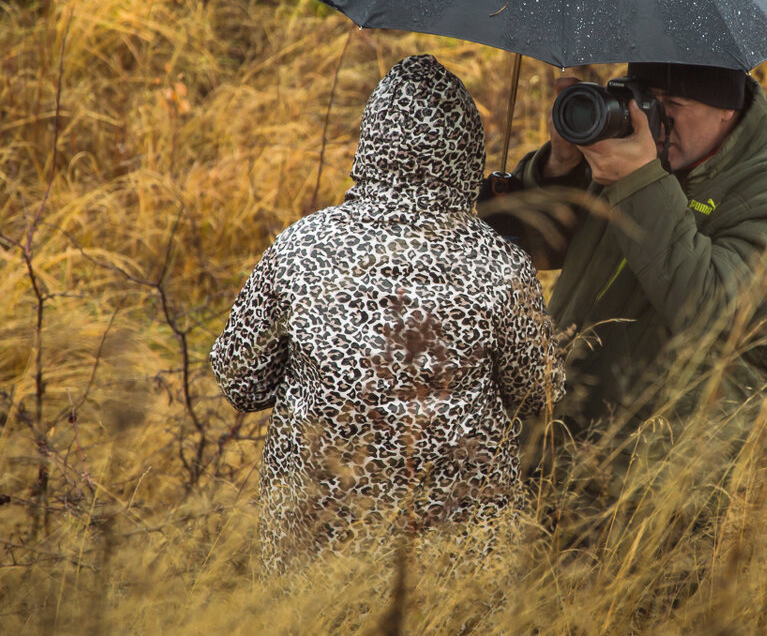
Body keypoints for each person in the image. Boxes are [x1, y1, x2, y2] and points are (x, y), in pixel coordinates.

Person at [210, 54, 564, 574]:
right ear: (467, 152)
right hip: (455, 573)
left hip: (313, 567)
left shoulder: (300, 249)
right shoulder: (500, 264)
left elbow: (239, 381)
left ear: (371, 143)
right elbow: (543, 393)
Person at [504, 61, 767, 431]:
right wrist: (559, 166)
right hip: (545, 432)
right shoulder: (629, 150)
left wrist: (640, 182)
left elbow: (709, 309)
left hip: (649, 464)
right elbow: (533, 250)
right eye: (645, 100)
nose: (654, 119)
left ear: (727, 108)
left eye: (673, 104)